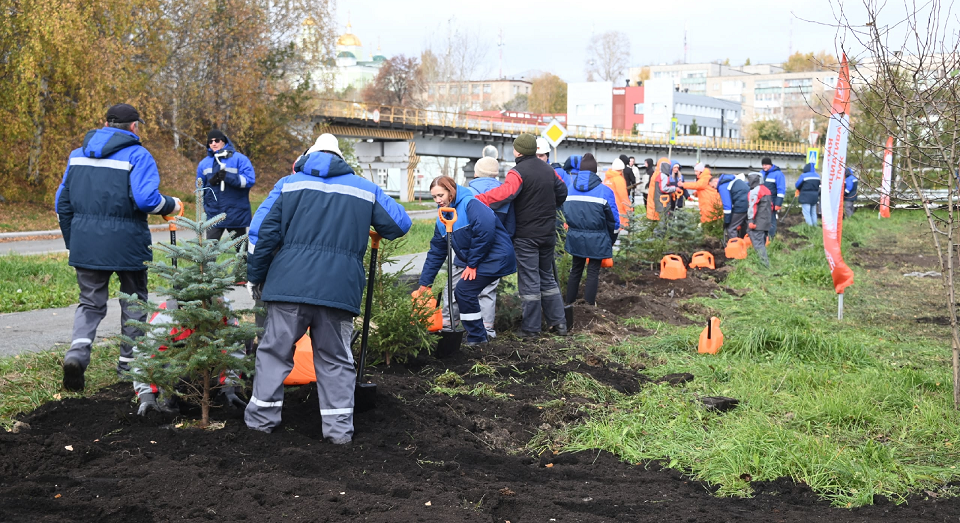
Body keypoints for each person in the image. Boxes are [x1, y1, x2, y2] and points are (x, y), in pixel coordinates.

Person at [244, 133, 411, 442]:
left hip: (287, 287)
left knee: (274, 352)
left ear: (307, 156)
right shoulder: (363, 188)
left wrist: (255, 276)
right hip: (339, 291)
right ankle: (338, 433)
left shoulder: (287, 184)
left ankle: (260, 424)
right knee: (335, 359)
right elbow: (399, 223)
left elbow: (260, 234)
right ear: (341, 159)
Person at [55, 103, 182, 391]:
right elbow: (146, 201)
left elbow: (62, 204)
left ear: (106, 123)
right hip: (128, 245)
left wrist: (73, 243)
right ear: (134, 126)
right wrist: (172, 204)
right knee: (134, 300)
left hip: (86, 244)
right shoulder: (138, 155)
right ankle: (129, 364)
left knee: (90, 303)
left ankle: (77, 353)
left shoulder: (77, 156)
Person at [474, 133, 568, 338]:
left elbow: (505, 194)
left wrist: (479, 199)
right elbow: (562, 192)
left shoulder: (517, 172)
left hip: (527, 235)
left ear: (517, 151)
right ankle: (559, 323)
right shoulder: (549, 170)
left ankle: (531, 329)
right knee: (547, 278)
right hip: (548, 233)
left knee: (529, 281)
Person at [418, 176, 517, 346]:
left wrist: (472, 264)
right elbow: (436, 252)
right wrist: (425, 283)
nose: (438, 200)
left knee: (464, 291)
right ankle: (478, 337)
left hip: (496, 257)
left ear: (451, 191)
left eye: (441, 195)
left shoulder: (471, 204)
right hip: (481, 258)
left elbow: (485, 232)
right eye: (434, 197)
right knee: (464, 291)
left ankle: (478, 338)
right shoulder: (443, 219)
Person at [563, 154, 619, 306]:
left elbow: (566, 213)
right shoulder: (605, 191)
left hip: (575, 237)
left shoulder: (569, 190)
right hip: (598, 239)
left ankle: (569, 304)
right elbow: (613, 221)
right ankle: (589, 307)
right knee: (593, 272)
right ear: (595, 172)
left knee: (575, 270)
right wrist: (610, 240)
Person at [196, 129, 256, 241]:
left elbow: (249, 180)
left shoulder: (240, 159)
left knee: (241, 249)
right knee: (210, 250)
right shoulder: (204, 163)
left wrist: (229, 177)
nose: (213, 143)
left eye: (217, 140)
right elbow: (199, 187)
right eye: (210, 141)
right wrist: (211, 183)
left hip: (235, 212)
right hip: (213, 212)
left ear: (223, 141)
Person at [711, 172, 749, 242]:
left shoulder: (723, 186)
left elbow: (727, 206)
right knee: (746, 226)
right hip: (748, 203)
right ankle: (748, 246)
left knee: (731, 228)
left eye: (713, 186)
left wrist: (727, 221)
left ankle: (734, 248)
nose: (714, 189)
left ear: (716, 181)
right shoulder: (732, 180)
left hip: (741, 205)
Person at [746, 173, 772, 267]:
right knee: (762, 242)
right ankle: (763, 263)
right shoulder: (766, 190)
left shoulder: (755, 191)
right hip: (766, 221)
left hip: (757, 222)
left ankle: (764, 266)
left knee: (758, 244)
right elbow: (771, 206)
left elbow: (752, 207)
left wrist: (751, 220)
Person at [646, 157, 679, 221]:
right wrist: (674, 189)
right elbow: (663, 188)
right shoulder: (662, 176)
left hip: (655, 201)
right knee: (661, 222)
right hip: (660, 202)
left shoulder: (656, 174)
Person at [760, 158, 786, 238]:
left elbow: (781, 189)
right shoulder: (761, 173)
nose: (764, 167)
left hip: (772, 201)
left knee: (771, 219)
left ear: (770, 165)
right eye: (763, 165)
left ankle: (771, 237)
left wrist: (778, 203)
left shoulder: (778, 174)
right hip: (761, 201)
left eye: (766, 165)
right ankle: (763, 237)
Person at [604, 157, 633, 228]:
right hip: (618, 210)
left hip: (606, 210)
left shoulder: (607, 178)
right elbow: (623, 197)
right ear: (621, 170)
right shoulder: (619, 179)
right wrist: (629, 210)